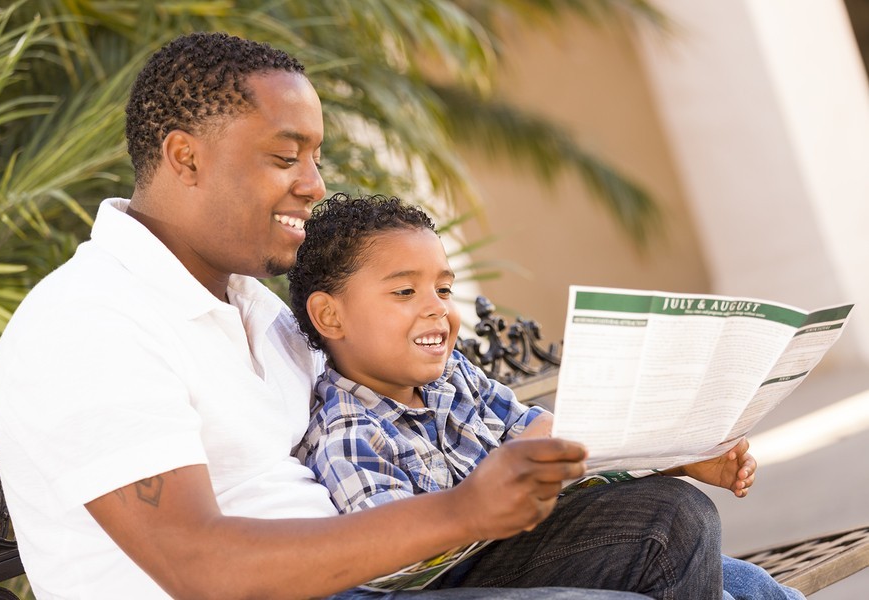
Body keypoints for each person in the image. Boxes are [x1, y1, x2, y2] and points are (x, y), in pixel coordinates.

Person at [0, 31, 721, 600]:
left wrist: (651, 445)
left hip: (382, 576)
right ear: (185, 158)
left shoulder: (251, 305)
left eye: (317, 156)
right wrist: (462, 513)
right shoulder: (86, 326)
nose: (315, 184)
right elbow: (198, 566)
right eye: (286, 156)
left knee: (669, 520)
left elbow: (418, 408)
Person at [287, 193, 806, 600]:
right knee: (671, 520)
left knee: (742, 581)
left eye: (443, 290)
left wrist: (679, 454)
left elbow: (550, 442)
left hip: (537, 542)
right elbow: (396, 567)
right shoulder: (350, 433)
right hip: (473, 583)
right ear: (330, 316)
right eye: (405, 292)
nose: (436, 309)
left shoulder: (453, 378)